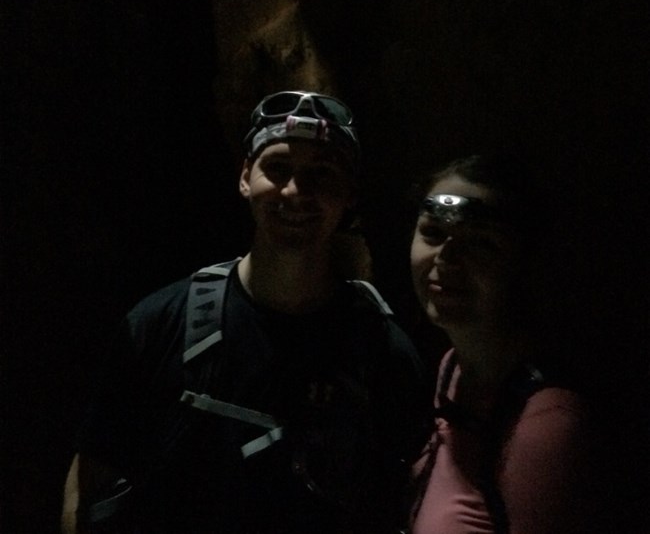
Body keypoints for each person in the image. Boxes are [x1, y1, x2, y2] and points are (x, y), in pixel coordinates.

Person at [62, 90, 428, 534]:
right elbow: (88, 487)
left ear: (349, 195)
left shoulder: (380, 349)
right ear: (244, 177)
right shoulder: (161, 324)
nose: (296, 191)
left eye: (321, 174)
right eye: (277, 168)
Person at [408, 154, 609, 534]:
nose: (447, 257)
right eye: (433, 233)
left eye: (481, 243)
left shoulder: (546, 424)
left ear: (522, 262)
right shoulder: (452, 370)